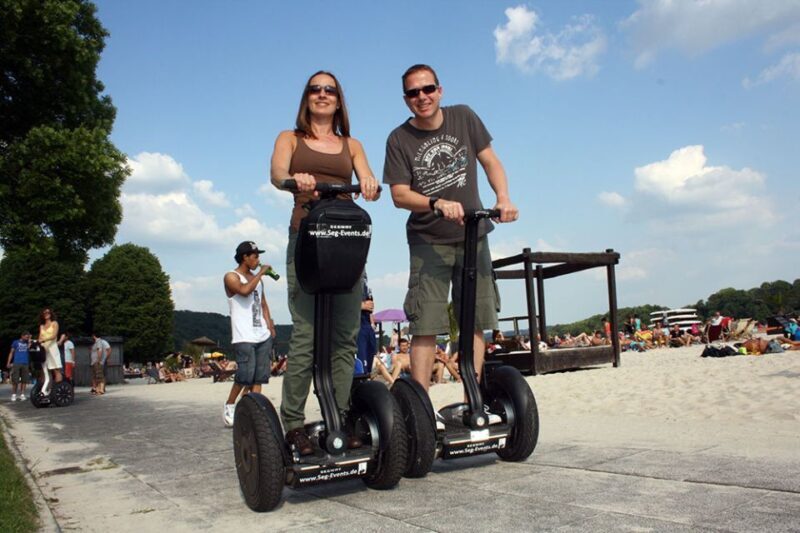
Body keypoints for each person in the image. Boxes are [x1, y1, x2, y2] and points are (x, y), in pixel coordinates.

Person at [383, 64, 518, 392]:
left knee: (475, 317)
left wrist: (503, 198)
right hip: (428, 240)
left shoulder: (464, 116)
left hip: (473, 234)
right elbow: (399, 195)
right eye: (414, 93)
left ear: (439, 91)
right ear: (406, 100)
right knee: (426, 323)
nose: (422, 97)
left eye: (428, 89)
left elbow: (490, 161)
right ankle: (421, 408)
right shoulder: (399, 138)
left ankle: (472, 396)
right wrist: (436, 203)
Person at [270, 70, 380, 455]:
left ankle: (341, 415)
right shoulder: (290, 138)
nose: (322, 94)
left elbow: (369, 180)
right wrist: (293, 180)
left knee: (345, 333)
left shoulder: (352, 145)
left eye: (329, 90)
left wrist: (368, 184)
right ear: (306, 98)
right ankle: (294, 425)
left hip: (346, 240)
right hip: (307, 237)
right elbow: (276, 174)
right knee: (305, 333)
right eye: (315, 89)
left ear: (338, 99)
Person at [222, 241, 277, 428]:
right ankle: (230, 405)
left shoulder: (257, 279)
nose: (258, 260)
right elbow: (244, 291)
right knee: (245, 375)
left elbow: (263, 304)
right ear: (245, 257)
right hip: (243, 334)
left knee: (259, 376)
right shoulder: (231, 276)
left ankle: (253, 410)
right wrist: (261, 273)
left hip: (261, 333)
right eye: (255, 256)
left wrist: (270, 326)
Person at [38, 307, 63, 394]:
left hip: (52, 348)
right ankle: (47, 391)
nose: (46, 314)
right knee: (45, 371)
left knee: (56, 369)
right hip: (44, 349)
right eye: (44, 313)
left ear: (51, 313)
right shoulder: (41, 326)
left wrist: (43, 340)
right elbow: (39, 338)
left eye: (48, 312)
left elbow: (54, 336)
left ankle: (57, 390)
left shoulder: (54, 323)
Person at [357, 274, 377, 373]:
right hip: (357, 327)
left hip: (367, 326)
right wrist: (361, 305)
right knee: (361, 364)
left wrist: (372, 323)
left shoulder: (364, 281)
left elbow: (369, 306)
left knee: (369, 362)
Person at [6, 332, 31, 401]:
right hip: (16, 362)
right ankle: (14, 395)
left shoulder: (27, 343)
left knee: (24, 380)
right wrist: (8, 362)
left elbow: (29, 349)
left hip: (25, 362)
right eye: (26, 337)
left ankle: (22, 394)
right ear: (22, 336)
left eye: (28, 337)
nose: (27, 338)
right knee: (15, 380)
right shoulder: (16, 342)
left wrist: (29, 341)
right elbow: (11, 352)